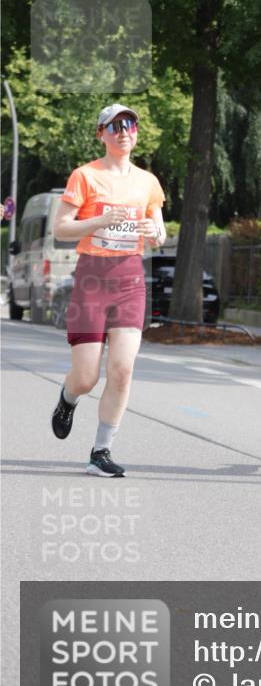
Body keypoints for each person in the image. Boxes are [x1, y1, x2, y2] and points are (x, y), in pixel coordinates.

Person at [50, 104, 166, 477]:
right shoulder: (85, 176)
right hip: (92, 279)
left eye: (130, 124)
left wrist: (155, 234)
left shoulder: (148, 181)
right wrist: (99, 220)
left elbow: (160, 234)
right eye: (114, 126)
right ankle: (68, 399)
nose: (124, 131)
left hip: (130, 279)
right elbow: (60, 229)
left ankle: (101, 451)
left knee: (123, 369)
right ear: (101, 133)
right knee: (86, 377)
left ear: (136, 132)